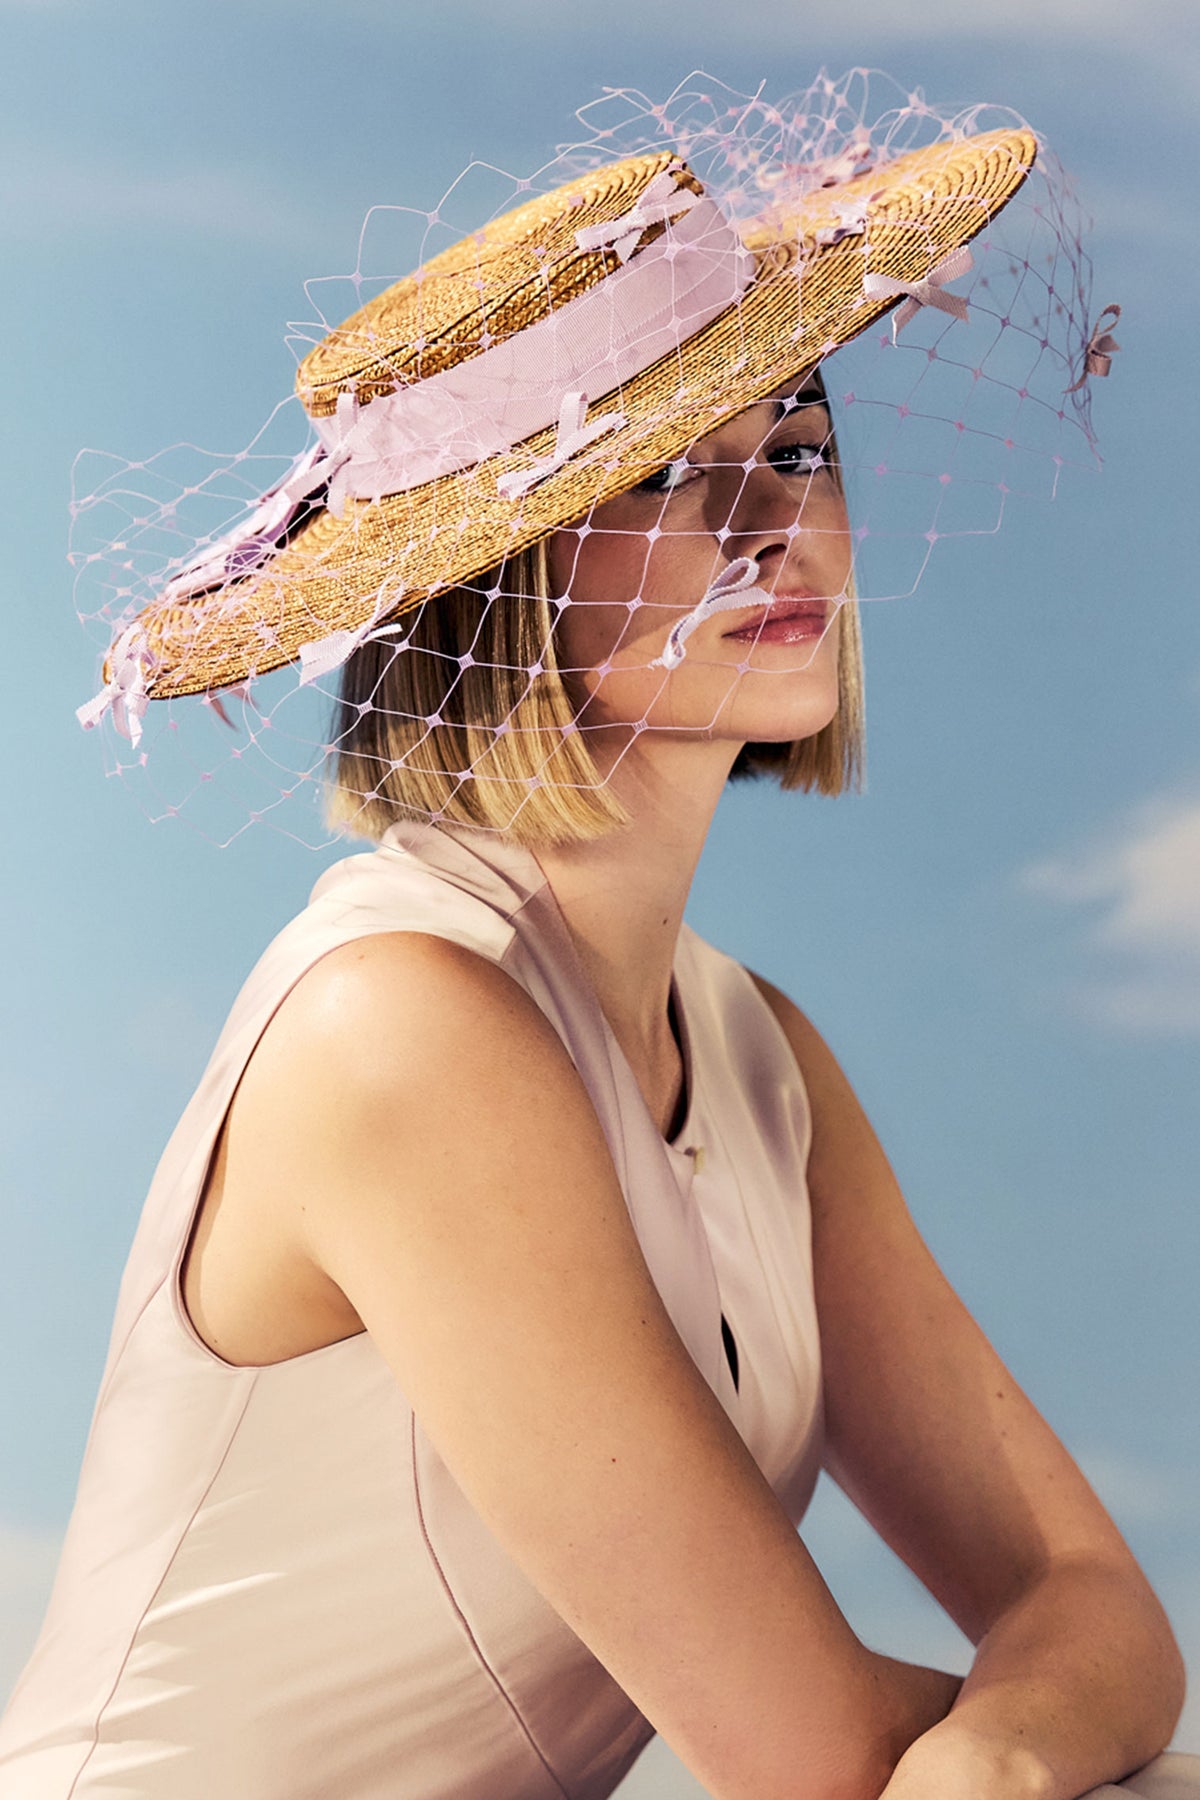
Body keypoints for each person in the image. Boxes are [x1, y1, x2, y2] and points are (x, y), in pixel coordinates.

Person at [1, 85, 1193, 1800]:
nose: (767, 523)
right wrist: (1026, 1756)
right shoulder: (399, 1029)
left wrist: (1009, 1758)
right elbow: (805, 1755)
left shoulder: (760, 1058)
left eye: (794, 446)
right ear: (501, 580)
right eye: (659, 477)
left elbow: (1089, 1601)